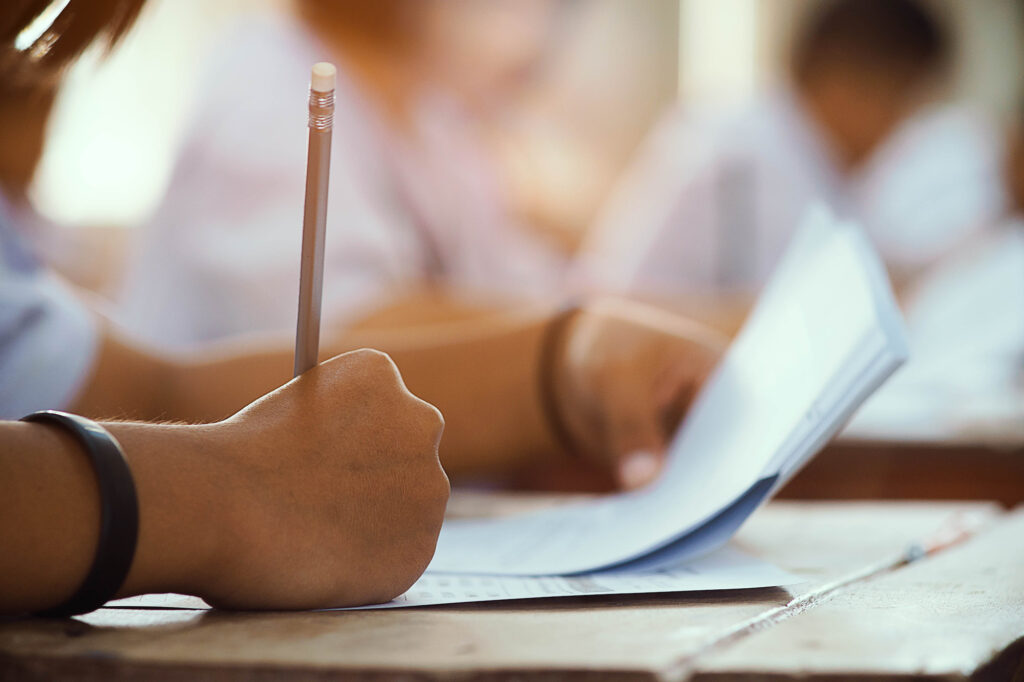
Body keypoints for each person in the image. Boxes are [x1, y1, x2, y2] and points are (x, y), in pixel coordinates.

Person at [0, 0, 723, 615]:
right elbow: (363, 334)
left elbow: (132, 392)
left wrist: (569, 361)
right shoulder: (268, 92)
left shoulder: (436, 119)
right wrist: (226, 495)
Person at [115, 0, 569, 348]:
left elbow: (520, 285)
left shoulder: (433, 120)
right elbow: (348, 336)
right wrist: (575, 345)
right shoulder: (267, 93)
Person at [574, 0, 1005, 331]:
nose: (899, 129)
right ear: (846, 80)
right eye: (900, 99)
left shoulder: (802, 149)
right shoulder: (749, 150)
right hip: (624, 363)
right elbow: (791, 323)